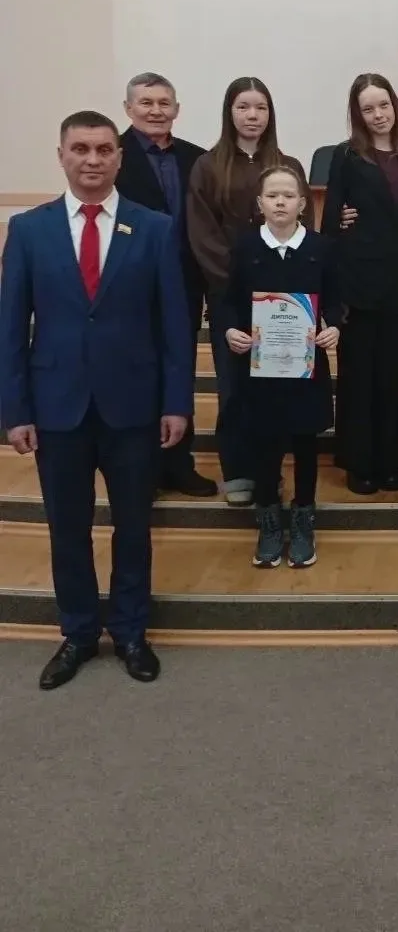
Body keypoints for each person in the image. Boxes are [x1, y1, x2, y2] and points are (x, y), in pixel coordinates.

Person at [0, 112, 193, 690]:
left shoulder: (154, 228)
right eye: (80, 149)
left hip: (133, 406)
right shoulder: (28, 230)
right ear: (61, 155)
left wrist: (177, 402)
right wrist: (15, 410)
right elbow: (11, 327)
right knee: (67, 528)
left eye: (104, 149)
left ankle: (132, 631)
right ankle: (79, 632)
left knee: (133, 526)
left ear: (119, 157)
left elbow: (175, 325)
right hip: (56, 406)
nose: (92, 159)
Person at [187, 77, 310, 505]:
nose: (252, 115)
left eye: (260, 107)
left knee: (274, 385)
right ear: (230, 112)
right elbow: (202, 232)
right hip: (230, 294)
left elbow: (302, 227)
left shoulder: (287, 164)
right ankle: (238, 469)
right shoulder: (208, 166)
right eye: (243, 107)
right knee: (235, 384)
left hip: (281, 296)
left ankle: (269, 472)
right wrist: (237, 280)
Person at [222, 166, 341, 569]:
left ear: (302, 204)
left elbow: (336, 300)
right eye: (272, 195)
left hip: (305, 368)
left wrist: (334, 326)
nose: (280, 202)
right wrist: (230, 330)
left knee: (306, 444)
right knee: (264, 444)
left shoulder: (321, 248)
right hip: (260, 369)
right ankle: (269, 521)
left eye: (288, 195)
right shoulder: (245, 247)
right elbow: (226, 302)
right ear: (260, 203)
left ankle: (304, 519)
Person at [115, 72, 217, 497]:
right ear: (128, 108)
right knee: (137, 375)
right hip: (130, 285)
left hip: (185, 283)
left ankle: (179, 464)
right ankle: (142, 468)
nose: (155, 111)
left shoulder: (198, 158)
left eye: (163, 103)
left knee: (180, 370)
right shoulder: (113, 155)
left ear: (176, 109)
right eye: (146, 102)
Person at [322, 74, 398, 495]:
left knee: (389, 375)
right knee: (358, 377)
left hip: (394, 279)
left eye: (384, 105)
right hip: (356, 281)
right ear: (357, 115)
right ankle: (359, 462)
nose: (378, 115)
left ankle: (388, 460)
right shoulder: (346, 155)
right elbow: (330, 221)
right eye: (368, 108)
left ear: (394, 106)